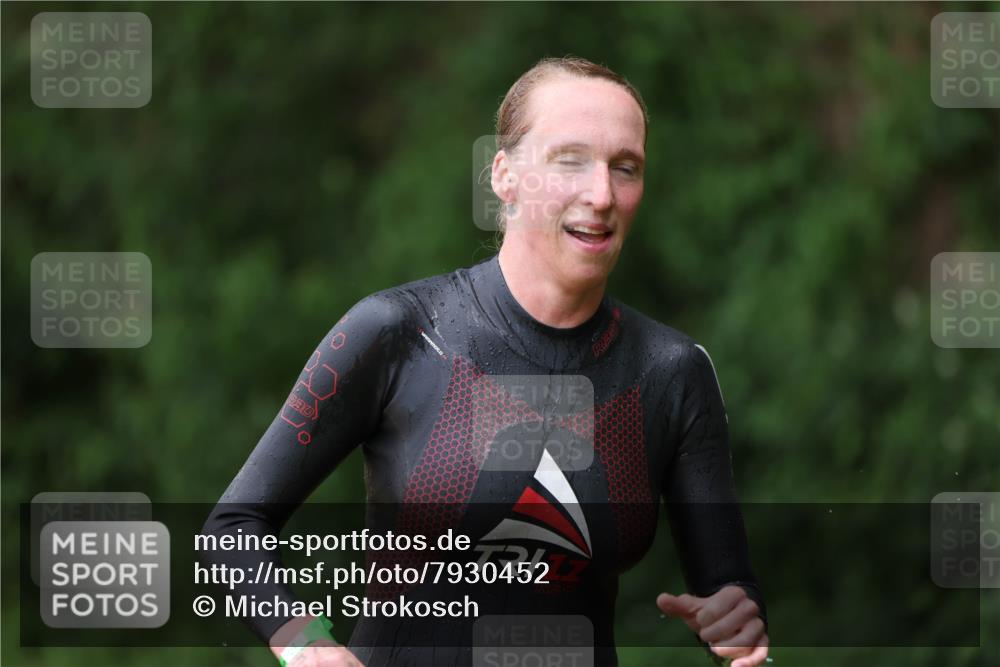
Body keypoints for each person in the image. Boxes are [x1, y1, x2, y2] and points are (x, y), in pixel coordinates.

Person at [202, 56, 770, 667]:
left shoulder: (672, 372)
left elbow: (732, 600)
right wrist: (305, 646)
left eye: (624, 167)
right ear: (503, 175)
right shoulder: (399, 332)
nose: (602, 194)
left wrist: (739, 627)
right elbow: (231, 531)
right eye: (570, 159)